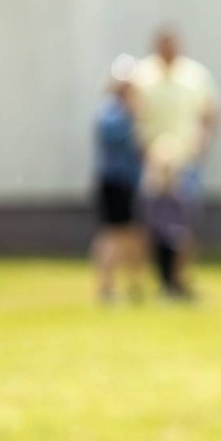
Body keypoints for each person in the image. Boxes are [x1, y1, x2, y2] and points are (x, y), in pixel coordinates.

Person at [130, 26, 221, 297]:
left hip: (185, 162)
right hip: (152, 162)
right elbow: (132, 114)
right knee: (150, 223)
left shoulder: (195, 75)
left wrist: (201, 144)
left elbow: (210, 111)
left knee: (185, 223)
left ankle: (180, 279)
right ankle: (151, 280)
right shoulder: (142, 75)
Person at [90, 55, 146, 303]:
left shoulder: (130, 109)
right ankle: (106, 285)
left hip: (131, 181)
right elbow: (114, 136)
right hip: (115, 181)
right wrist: (132, 114)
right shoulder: (111, 111)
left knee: (133, 234)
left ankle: (134, 284)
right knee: (113, 233)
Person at [142, 137, 194, 300]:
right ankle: (167, 286)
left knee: (182, 245)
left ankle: (177, 283)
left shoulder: (179, 188)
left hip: (175, 233)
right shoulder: (151, 189)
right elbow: (150, 216)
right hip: (158, 234)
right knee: (163, 255)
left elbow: (183, 214)